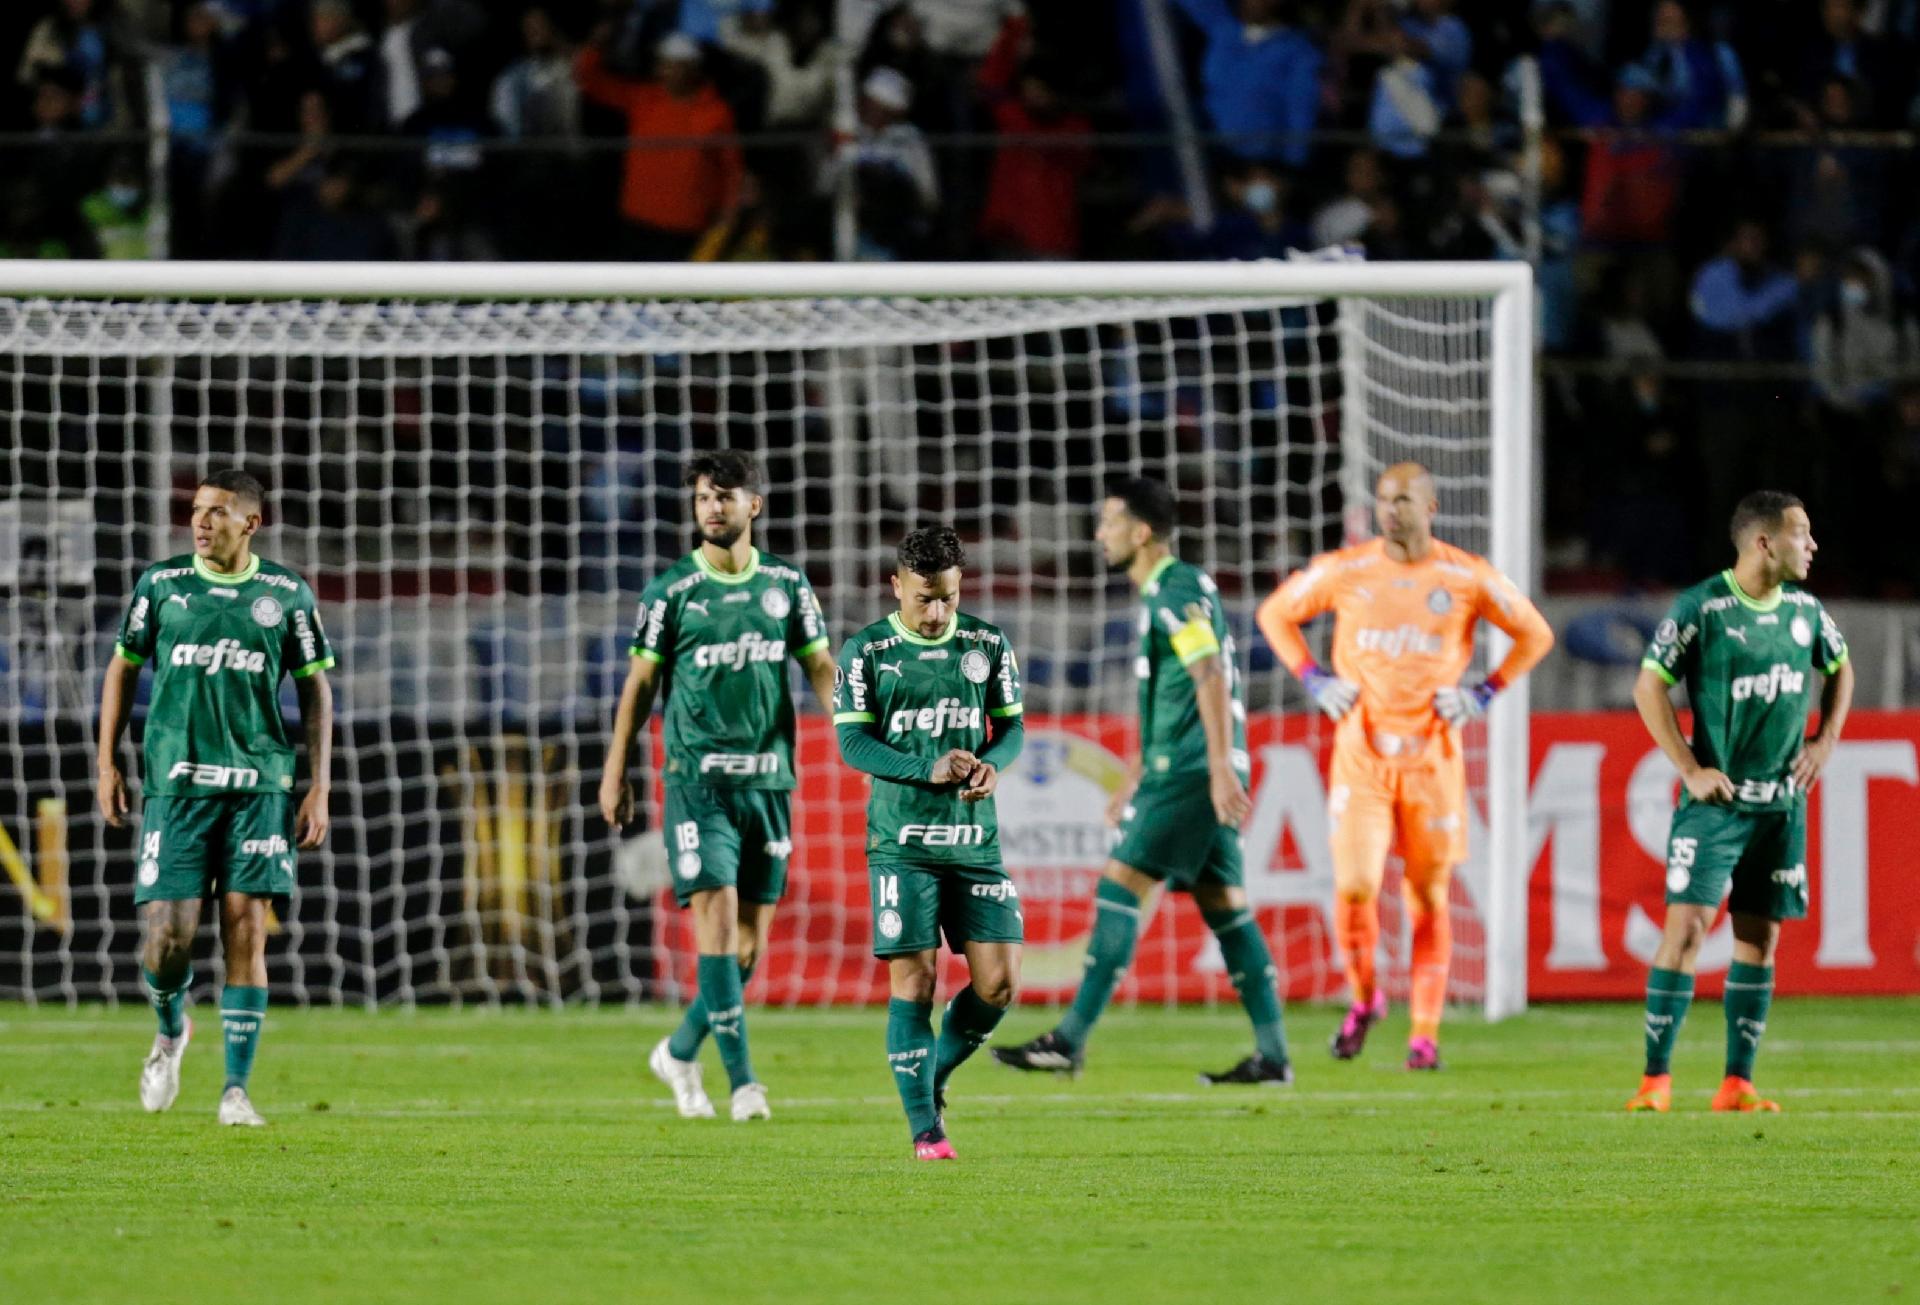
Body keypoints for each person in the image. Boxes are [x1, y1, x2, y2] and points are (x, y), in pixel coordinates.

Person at [995, 478, 1292, 1085]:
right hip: (1180, 764)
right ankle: (1274, 1056)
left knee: (1120, 883)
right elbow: (1175, 697)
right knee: (1227, 908)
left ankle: (1069, 1038)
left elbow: (1208, 675)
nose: (1099, 534)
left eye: (1108, 522)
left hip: (1188, 771)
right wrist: (1133, 775)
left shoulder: (1173, 591)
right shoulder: (1175, 590)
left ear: (1141, 531)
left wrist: (1214, 768)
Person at [1255, 463, 1553, 1069]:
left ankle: (1424, 1034)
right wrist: (1312, 677)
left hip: (1432, 760)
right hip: (1361, 757)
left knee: (1427, 897)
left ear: (1432, 507)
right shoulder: (1347, 570)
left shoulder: (1464, 576)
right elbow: (1275, 614)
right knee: (1356, 887)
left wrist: (1484, 692)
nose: (1391, 510)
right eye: (1384, 500)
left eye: (1404, 500)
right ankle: (1365, 998)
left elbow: (1535, 634)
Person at [598, 450, 837, 1123]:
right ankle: (744, 1084)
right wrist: (615, 770)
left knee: (747, 948)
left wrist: (851, 723)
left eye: (726, 498)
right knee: (720, 923)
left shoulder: (787, 585)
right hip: (697, 782)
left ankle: (678, 1050)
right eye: (704, 497)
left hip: (769, 783)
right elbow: (639, 686)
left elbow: (820, 665)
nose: (713, 508)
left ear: (753, 505)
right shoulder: (671, 591)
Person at [96, 470, 335, 1127]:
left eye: (217, 512)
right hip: (176, 787)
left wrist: (319, 785)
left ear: (250, 523)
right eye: (197, 510)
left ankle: (235, 1090)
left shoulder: (286, 595)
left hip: (258, 786)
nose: (201, 522)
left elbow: (316, 689)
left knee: (246, 928)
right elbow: (123, 666)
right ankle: (171, 1031)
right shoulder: (163, 586)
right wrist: (106, 760)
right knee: (168, 938)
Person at [1625, 492, 1852, 1113]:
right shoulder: (1704, 607)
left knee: (1759, 938)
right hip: (1717, 805)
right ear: (1763, 543)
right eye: (1801, 535)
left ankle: (1737, 1083)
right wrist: (1690, 768)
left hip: (1780, 806)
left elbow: (1841, 667)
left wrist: (1825, 739)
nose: (1812, 546)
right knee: (1689, 929)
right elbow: (1650, 684)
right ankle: (1655, 1082)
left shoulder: (1806, 611)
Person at [834, 526, 1026, 1160]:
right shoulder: (866, 652)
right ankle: (925, 1130)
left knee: (998, 983)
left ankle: (932, 1076)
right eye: (924, 599)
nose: (938, 610)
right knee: (915, 983)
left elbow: (1013, 726)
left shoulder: (987, 643)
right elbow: (852, 743)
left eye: (946, 596)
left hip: (975, 842)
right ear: (896, 586)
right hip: (902, 843)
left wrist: (993, 763)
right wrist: (927, 769)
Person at [576, 30, 743, 261]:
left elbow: (730, 167)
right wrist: (596, 44)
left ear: (692, 69)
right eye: (662, 65)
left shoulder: (716, 112)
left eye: (673, 66)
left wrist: (729, 212)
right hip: (637, 223)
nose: (664, 72)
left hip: (686, 228)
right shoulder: (643, 99)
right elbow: (589, 78)